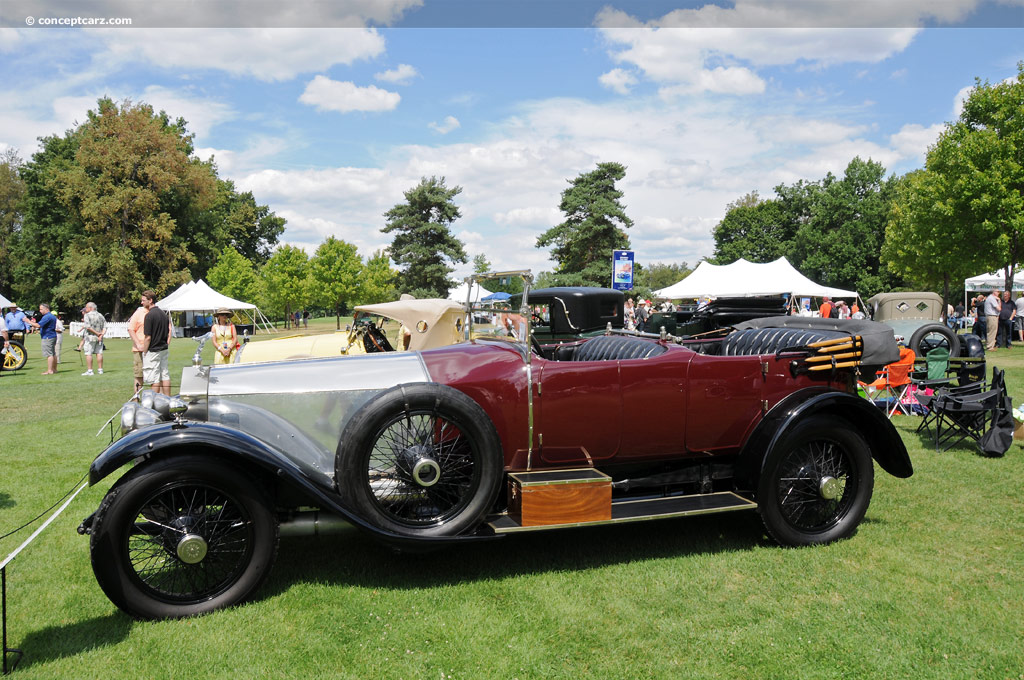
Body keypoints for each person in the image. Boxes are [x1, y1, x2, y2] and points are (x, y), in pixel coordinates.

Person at [141, 290, 172, 395]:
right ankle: (167, 398)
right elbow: (169, 332)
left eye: (143, 300)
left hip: (153, 350)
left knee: (154, 378)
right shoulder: (164, 315)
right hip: (164, 348)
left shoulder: (149, 316)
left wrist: (144, 352)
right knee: (165, 374)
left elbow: (147, 337)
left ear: (150, 300)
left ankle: (154, 401)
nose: (142, 303)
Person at [25, 303, 58, 375]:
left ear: (46, 309)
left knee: (49, 354)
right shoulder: (51, 316)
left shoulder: (47, 317)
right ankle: (54, 369)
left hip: (47, 337)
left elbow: (38, 325)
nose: (40, 311)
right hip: (52, 336)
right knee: (53, 353)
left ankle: (50, 370)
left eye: (41, 309)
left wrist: (28, 321)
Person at [127, 302, 149, 393]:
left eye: (143, 300)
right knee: (139, 374)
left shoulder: (155, 312)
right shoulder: (138, 313)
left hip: (153, 348)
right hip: (139, 349)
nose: (141, 302)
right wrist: (138, 344)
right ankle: (136, 397)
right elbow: (130, 329)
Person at [80, 301, 106, 375]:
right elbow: (105, 326)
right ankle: (100, 369)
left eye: (86, 307)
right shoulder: (100, 315)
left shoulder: (87, 315)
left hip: (90, 337)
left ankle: (90, 370)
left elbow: (88, 327)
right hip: (99, 338)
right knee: (99, 353)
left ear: (91, 308)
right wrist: (101, 335)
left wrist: (97, 333)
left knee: (88, 353)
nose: (85, 309)